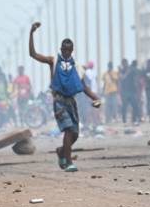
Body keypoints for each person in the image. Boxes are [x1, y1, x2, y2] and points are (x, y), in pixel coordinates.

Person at [29, 22, 101, 172]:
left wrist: (95, 98)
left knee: (74, 134)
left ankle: (62, 152)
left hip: (71, 101)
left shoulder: (77, 67)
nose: (67, 52)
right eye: (65, 49)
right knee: (68, 130)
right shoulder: (53, 61)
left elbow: (84, 86)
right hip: (59, 101)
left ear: (72, 50)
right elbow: (33, 54)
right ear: (61, 49)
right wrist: (31, 33)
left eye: (69, 50)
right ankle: (68, 162)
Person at [121, 60, 141, 125]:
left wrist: (137, 91)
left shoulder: (132, 71)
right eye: (124, 64)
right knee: (124, 107)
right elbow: (121, 79)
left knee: (135, 106)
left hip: (132, 91)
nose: (125, 65)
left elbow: (136, 80)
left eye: (125, 63)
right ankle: (124, 121)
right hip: (124, 92)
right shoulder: (122, 71)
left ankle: (134, 120)